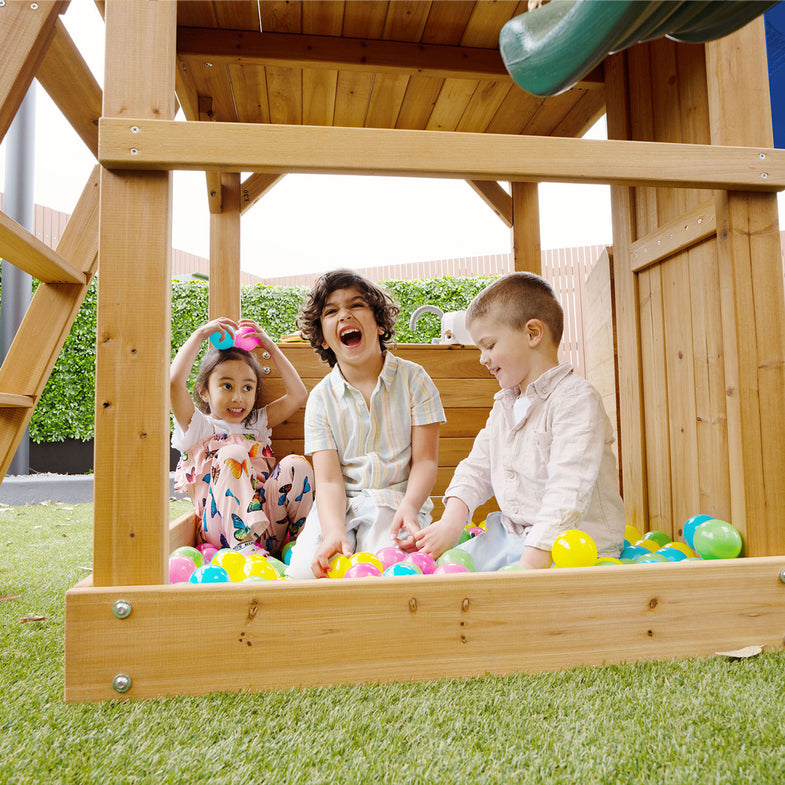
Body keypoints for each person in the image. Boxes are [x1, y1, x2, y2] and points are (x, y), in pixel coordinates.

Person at [414, 272, 625, 570]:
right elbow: (477, 468)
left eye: (488, 345)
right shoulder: (504, 405)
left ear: (532, 334)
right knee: (444, 577)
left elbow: (568, 489)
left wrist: (529, 568)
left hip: (576, 546)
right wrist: (451, 522)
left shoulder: (575, 400)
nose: (482, 359)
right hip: (513, 536)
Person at [285, 270, 445, 579]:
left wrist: (410, 507)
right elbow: (330, 481)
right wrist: (333, 531)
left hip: (398, 503)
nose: (344, 314)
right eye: (331, 311)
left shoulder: (415, 380)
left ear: (379, 322)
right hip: (340, 507)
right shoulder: (320, 399)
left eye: (356, 305)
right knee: (305, 574)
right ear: (322, 338)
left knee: (383, 571)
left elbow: (425, 460)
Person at [170, 317, 314, 557]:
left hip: (268, 532)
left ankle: (307, 543)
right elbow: (175, 383)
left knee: (296, 465)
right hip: (222, 533)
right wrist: (199, 335)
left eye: (247, 387)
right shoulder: (199, 427)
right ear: (203, 392)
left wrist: (269, 345)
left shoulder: (256, 425)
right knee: (233, 454)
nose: (238, 397)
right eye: (227, 386)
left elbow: (298, 394)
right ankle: (244, 546)